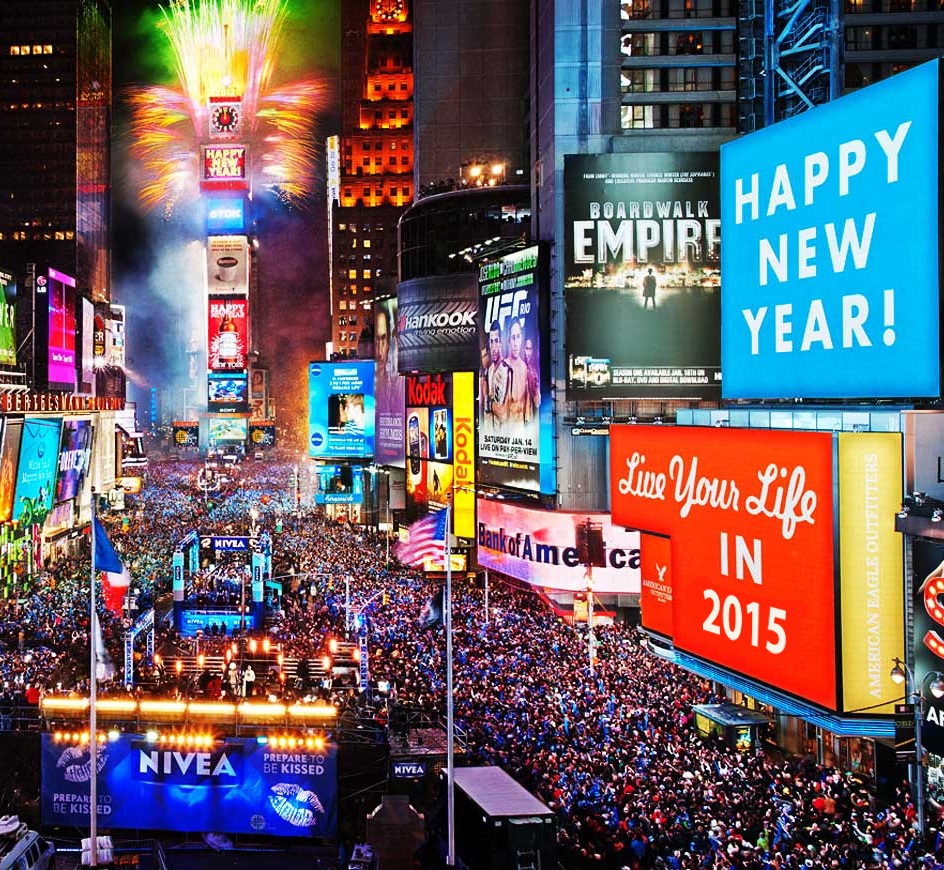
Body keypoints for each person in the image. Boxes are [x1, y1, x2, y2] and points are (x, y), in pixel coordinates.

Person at [523, 334, 540, 423]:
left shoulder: (534, 372)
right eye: (526, 348)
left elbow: (537, 402)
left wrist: (535, 387)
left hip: (530, 417)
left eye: (530, 349)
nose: (528, 353)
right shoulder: (516, 368)